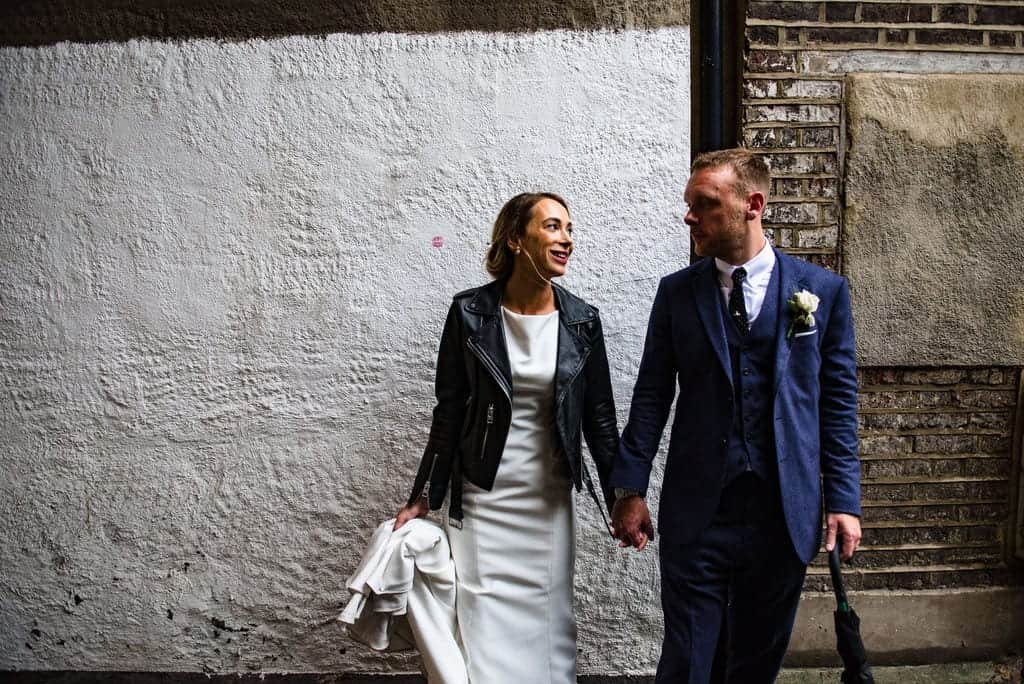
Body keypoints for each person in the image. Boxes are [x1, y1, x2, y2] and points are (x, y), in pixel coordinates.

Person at [609, 148, 862, 682]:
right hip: (699, 508)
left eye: (703, 203)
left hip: (782, 509)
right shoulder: (677, 294)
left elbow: (837, 403)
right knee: (687, 660)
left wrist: (843, 500)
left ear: (752, 204)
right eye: (689, 204)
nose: (689, 216)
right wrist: (629, 490)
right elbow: (652, 395)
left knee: (755, 660)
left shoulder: (822, 292)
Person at [393, 192, 619, 684]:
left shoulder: (582, 321)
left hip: (548, 497)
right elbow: (449, 411)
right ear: (516, 239)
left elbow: (600, 417)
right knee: (483, 623)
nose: (567, 240)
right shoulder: (469, 313)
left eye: (569, 229)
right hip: (481, 495)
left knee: (549, 622)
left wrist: (623, 496)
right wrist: (423, 497)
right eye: (553, 227)